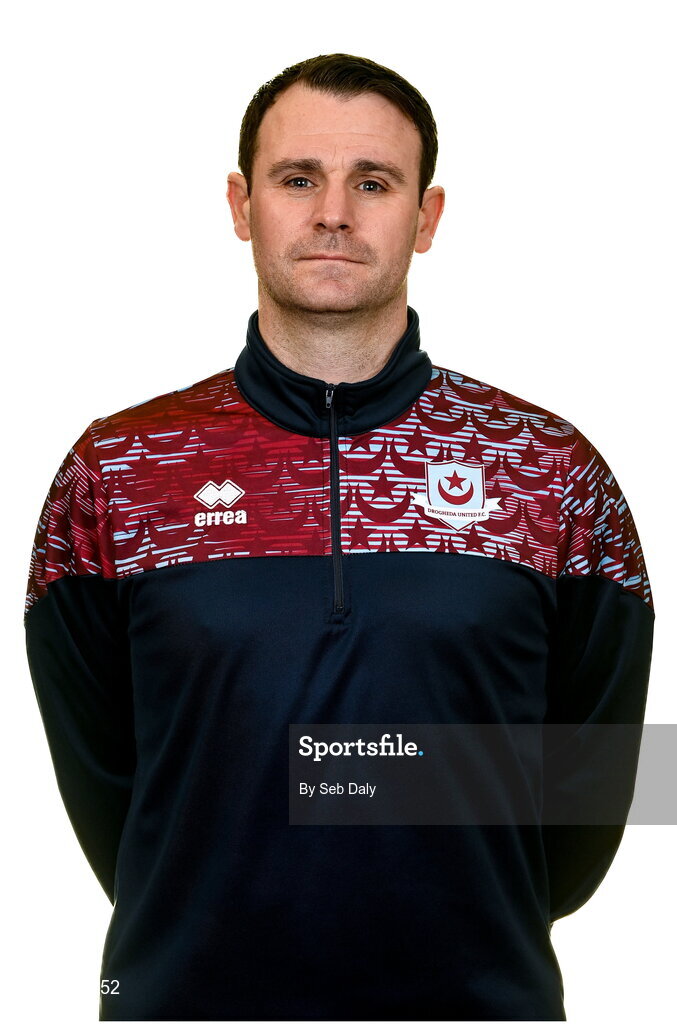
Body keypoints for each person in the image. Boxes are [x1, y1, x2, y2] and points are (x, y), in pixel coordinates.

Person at [23, 52, 655, 1022]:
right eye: (296, 179)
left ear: (425, 216)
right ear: (241, 206)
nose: (332, 214)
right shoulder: (118, 471)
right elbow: (117, 797)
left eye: (371, 182)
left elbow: (583, 799)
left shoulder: (549, 473)